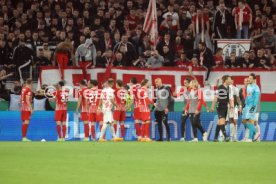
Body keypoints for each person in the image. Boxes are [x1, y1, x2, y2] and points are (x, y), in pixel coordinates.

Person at [210, 75, 232, 142]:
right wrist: (212, 107)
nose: (231, 80)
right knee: (222, 121)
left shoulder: (229, 88)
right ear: (226, 80)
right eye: (229, 79)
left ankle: (215, 138)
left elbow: (229, 98)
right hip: (220, 106)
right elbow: (215, 98)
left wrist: (231, 105)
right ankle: (226, 137)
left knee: (220, 122)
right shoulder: (220, 87)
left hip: (225, 107)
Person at [242, 73, 261, 142]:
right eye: (248, 78)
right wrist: (245, 105)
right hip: (247, 106)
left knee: (250, 121)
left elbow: (256, 98)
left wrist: (253, 107)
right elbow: (247, 96)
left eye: (250, 78)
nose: (248, 79)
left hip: (252, 106)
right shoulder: (248, 86)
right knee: (243, 121)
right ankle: (256, 133)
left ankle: (250, 138)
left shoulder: (256, 87)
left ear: (254, 79)